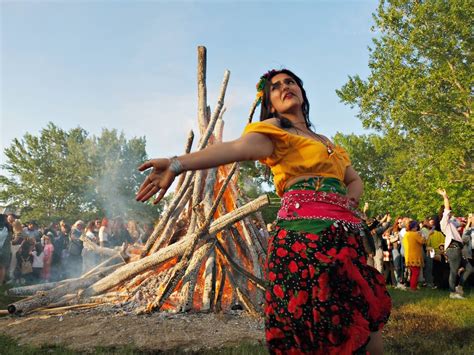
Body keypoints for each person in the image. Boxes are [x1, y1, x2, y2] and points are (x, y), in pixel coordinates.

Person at [135, 69, 391, 354]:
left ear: (302, 91)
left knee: (362, 316)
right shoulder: (275, 132)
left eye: (290, 82)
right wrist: (176, 163)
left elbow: (353, 179)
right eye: (275, 87)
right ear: (269, 102)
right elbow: (236, 148)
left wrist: (348, 204)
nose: (285, 87)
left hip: (344, 238)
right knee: (312, 324)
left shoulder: (327, 142)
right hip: (302, 241)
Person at [437, 189, 465, 299]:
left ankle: (459, 286)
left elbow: (459, 222)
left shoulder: (451, 223)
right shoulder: (444, 222)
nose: (451, 214)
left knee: (469, 268)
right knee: (453, 271)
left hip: (457, 248)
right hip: (453, 248)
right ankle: (452, 292)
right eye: (450, 212)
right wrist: (445, 197)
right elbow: (447, 210)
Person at [402, 221, 424, 291]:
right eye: (416, 227)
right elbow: (422, 241)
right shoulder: (415, 234)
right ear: (414, 227)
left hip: (408, 256)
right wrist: (423, 235)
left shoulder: (406, 234)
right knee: (415, 272)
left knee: (412, 272)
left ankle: (412, 286)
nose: (417, 228)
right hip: (415, 256)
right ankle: (413, 287)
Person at [0, 214, 12, 285]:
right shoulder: (8, 228)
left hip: (2, 250)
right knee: (3, 267)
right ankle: (1, 283)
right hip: (5, 251)